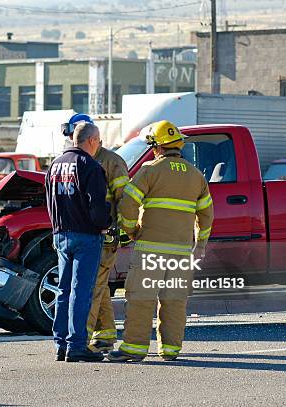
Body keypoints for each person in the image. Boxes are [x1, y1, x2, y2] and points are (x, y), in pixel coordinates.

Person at [108, 120, 214, 362]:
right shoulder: (196, 176)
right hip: (182, 254)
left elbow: (127, 203)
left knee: (141, 298)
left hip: (150, 250)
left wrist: (132, 230)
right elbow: (207, 215)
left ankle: (134, 349)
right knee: (174, 301)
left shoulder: (149, 171)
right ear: (178, 146)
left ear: (157, 147)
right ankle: (170, 350)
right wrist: (200, 246)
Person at [61, 113, 129, 353]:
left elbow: (125, 199)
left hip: (104, 236)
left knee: (90, 288)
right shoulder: (77, 160)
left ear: (93, 138)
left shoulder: (110, 161)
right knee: (97, 286)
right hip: (85, 235)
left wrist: (122, 231)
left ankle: (83, 340)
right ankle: (106, 335)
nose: (72, 141)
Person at [45, 121, 111, 363]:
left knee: (63, 291)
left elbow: (49, 201)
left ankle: (60, 345)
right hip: (86, 236)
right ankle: (76, 345)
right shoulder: (90, 166)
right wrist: (106, 222)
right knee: (81, 292)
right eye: (99, 142)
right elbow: (97, 209)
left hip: (60, 234)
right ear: (92, 141)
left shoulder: (54, 165)